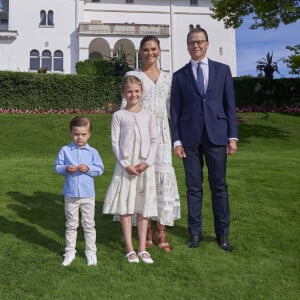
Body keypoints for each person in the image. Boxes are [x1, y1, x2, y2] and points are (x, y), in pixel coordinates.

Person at [170, 28, 238, 252]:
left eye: (199, 42)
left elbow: (229, 105)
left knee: (219, 187)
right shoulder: (179, 76)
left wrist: (232, 136)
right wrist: (176, 141)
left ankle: (222, 235)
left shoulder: (223, 71)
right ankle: (195, 233)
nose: (195, 46)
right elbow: (175, 112)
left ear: (207, 43)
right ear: (187, 46)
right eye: (191, 43)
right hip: (189, 138)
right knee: (193, 188)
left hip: (217, 135)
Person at [117, 35, 180, 252]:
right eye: (145, 49)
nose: (149, 53)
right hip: (139, 136)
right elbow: (124, 106)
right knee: (143, 182)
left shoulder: (168, 77)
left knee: (162, 181)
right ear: (140, 52)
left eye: (153, 49)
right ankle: (145, 229)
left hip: (161, 136)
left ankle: (160, 229)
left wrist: (178, 139)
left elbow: (173, 110)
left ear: (159, 50)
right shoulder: (132, 75)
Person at [103, 75, 159, 264]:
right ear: (124, 93)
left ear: (141, 93)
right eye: (129, 91)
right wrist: (126, 164)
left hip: (144, 167)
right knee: (126, 207)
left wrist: (147, 163)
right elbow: (115, 142)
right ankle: (129, 248)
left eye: (136, 91)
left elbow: (154, 140)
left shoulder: (149, 115)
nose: (133, 94)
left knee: (143, 208)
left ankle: (142, 248)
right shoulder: (118, 116)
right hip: (126, 167)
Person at [54, 116, 104, 266]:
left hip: (88, 195)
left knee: (89, 224)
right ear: (71, 133)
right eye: (76, 134)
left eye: (83, 134)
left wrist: (88, 168)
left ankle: (91, 253)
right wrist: (65, 169)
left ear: (89, 134)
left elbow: (100, 169)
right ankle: (69, 252)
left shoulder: (93, 152)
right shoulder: (65, 150)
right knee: (71, 224)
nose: (79, 137)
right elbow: (57, 167)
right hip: (70, 195)